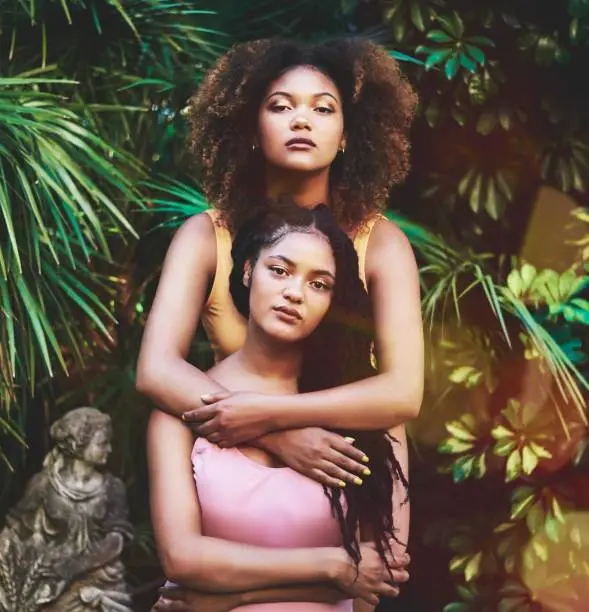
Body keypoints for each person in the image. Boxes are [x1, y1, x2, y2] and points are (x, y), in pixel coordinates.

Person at [137, 36, 423, 603]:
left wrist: (275, 416)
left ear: (348, 136)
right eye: (280, 105)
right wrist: (281, 432)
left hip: (340, 446)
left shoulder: (382, 242)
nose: (302, 120)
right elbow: (155, 370)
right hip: (225, 446)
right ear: (250, 126)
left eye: (324, 108)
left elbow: (402, 392)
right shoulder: (205, 234)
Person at [147, 201, 410, 611]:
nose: (294, 293)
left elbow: (380, 575)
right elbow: (182, 559)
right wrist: (331, 566)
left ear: (332, 302)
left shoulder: (368, 415)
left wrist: (230, 598)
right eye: (280, 270)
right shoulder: (181, 405)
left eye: (319, 284)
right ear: (248, 270)